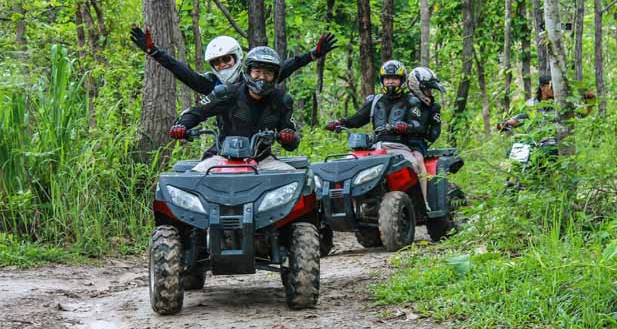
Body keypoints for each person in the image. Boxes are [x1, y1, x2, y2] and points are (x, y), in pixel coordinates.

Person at [169, 46, 300, 172]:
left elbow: (292, 141)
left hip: (263, 161)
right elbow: (197, 112)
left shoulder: (282, 100)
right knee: (191, 183)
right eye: (257, 72)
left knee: (297, 181)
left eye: (268, 73)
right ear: (248, 72)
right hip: (221, 158)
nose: (262, 77)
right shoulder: (226, 93)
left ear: (275, 76)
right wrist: (182, 126)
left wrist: (287, 136)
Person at [324, 60, 430, 206]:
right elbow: (357, 119)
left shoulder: (411, 101)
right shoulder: (375, 101)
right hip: (375, 148)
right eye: (387, 78)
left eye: (394, 78)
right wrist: (339, 123)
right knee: (347, 162)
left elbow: (418, 125)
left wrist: (405, 126)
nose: (390, 82)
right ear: (382, 80)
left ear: (402, 80)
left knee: (415, 165)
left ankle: (425, 203)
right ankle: (347, 204)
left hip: (399, 148)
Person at [130, 27, 337, 95]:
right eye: (217, 62)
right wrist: (155, 52)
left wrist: (313, 54)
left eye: (226, 59)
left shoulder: (256, 77)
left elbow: (286, 67)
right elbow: (183, 71)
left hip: (259, 147)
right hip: (224, 147)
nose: (222, 66)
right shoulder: (212, 85)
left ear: (237, 56)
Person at [406, 66, 444, 156]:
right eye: (428, 90)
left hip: (417, 145)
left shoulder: (433, 107)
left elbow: (434, 134)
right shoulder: (403, 101)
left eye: (430, 90)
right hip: (394, 144)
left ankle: (422, 171)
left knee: (417, 159)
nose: (430, 93)